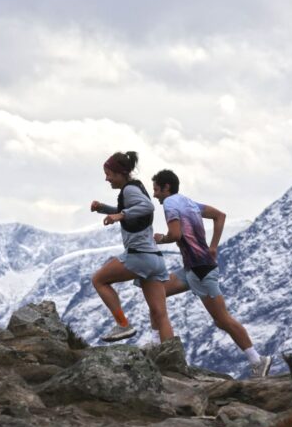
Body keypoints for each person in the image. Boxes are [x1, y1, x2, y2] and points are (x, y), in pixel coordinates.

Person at [152, 169, 272, 378]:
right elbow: (220, 216)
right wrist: (213, 246)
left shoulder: (171, 204)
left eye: (156, 190)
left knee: (222, 319)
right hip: (192, 268)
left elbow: (175, 234)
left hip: (201, 270)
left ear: (166, 188)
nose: (155, 195)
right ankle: (154, 344)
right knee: (155, 291)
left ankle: (257, 360)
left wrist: (161, 239)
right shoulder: (190, 203)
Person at [90, 151, 174, 344]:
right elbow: (132, 211)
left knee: (99, 280)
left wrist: (119, 216)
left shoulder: (129, 190)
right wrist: (103, 208)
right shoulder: (136, 188)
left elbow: (147, 207)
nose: (106, 178)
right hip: (155, 258)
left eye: (109, 174)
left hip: (139, 255)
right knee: (160, 314)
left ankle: (122, 324)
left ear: (120, 173)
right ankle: (172, 355)